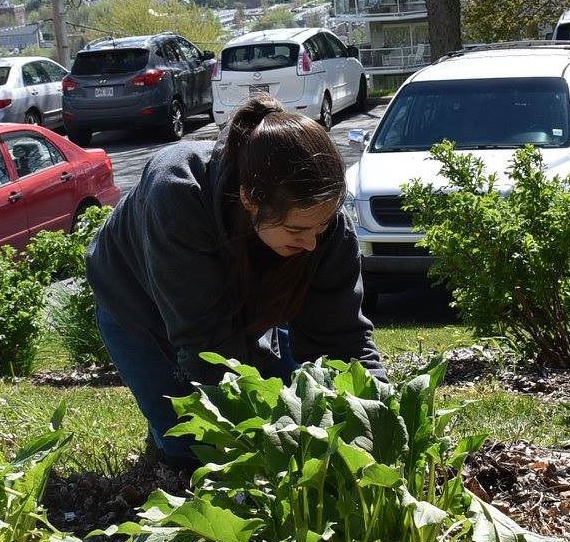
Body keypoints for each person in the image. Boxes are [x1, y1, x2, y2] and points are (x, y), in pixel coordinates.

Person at [85, 93, 383, 469]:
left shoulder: (325, 227)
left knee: (296, 409)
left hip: (242, 303)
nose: (311, 243)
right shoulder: (176, 191)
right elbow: (206, 347)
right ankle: (161, 431)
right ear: (249, 199)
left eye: (320, 227)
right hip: (139, 309)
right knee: (195, 453)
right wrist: (256, 452)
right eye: (297, 229)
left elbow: (345, 338)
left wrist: (379, 417)